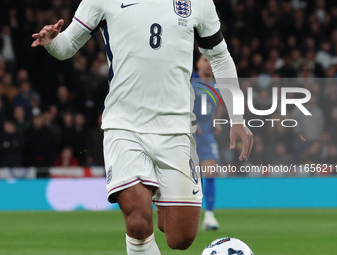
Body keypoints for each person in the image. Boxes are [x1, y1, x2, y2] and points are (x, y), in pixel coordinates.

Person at [31, 0, 253, 254]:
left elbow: (220, 57)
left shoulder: (199, 3)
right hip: (124, 126)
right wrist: (52, 43)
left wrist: (237, 117)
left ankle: (160, 200)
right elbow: (67, 45)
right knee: (137, 222)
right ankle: (147, 203)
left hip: (176, 129)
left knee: (180, 239)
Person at [192, 54, 223, 230]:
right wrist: (191, 120)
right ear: (198, 63)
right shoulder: (189, 81)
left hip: (206, 135)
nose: (209, 64)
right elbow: (178, 102)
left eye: (211, 60)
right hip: (187, 134)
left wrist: (216, 121)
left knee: (210, 172)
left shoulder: (216, 84)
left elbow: (220, 103)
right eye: (205, 60)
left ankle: (209, 217)